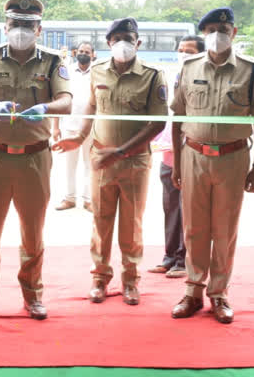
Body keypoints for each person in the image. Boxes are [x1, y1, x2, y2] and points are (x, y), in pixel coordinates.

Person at [0, 0, 72, 322]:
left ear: (39, 29)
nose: (21, 30)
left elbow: (66, 101)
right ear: (5, 26)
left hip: (34, 158)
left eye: (28, 25)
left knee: (33, 231)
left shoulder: (52, 62)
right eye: (15, 25)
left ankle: (33, 295)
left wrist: (46, 109)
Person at [54, 18, 167, 306]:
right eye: (116, 38)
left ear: (138, 42)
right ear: (108, 43)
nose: (122, 43)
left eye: (128, 37)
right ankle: (100, 278)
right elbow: (92, 106)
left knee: (131, 224)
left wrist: (123, 151)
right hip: (102, 158)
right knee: (101, 222)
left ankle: (130, 280)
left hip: (135, 161)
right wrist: (80, 137)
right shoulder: (97, 71)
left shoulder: (153, 75)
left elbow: (157, 121)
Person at [169, 7, 254, 324]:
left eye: (223, 29)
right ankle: (193, 291)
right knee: (194, 228)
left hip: (233, 157)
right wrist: (177, 163)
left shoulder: (251, 71)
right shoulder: (187, 68)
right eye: (210, 29)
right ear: (203, 34)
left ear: (234, 33)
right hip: (194, 156)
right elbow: (178, 118)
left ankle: (219, 294)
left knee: (225, 230)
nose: (217, 35)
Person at [148, 35, 205, 278]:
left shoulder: (202, 80)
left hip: (192, 154)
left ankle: (185, 259)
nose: (183, 54)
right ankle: (170, 256)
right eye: (181, 50)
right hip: (170, 156)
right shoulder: (172, 75)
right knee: (170, 207)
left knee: (189, 209)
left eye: (189, 50)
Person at [51, 41, 95, 212]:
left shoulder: (97, 73)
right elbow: (57, 99)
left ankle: (88, 200)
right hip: (69, 126)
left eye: (87, 51)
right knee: (69, 165)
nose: (84, 54)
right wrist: (55, 126)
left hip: (90, 127)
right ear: (76, 53)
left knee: (89, 165)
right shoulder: (66, 71)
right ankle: (69, 198)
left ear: (93, 55)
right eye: (81, 51)